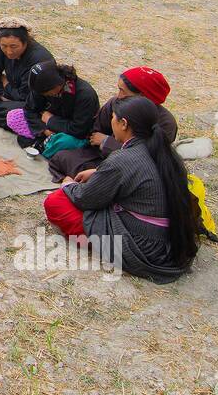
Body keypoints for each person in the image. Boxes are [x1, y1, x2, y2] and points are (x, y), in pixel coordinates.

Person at [44, 96, 201, 283]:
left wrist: (69, 185)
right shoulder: (164, 152)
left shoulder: (123, 159)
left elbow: (85, 199)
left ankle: (99, 244)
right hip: (169, 240)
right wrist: (98, 172)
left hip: (145, 247)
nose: (111, 122)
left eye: (113, 118)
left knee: (56, 202)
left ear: (124, 124)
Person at [49, 67, 177, 181]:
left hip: (131, 169)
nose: (118, 95)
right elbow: (94, 133)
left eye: (123, 91)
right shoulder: (115, 103)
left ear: (142, 96)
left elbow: (147, 160)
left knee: (105, 179)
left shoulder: (165, 123)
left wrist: (107, 142)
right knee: (61, 157)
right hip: (101, 156)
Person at [0, 17, 54, 128]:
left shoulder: (39, 60)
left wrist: (5, 84)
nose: (9, 52)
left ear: (26, 42)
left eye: (14, 47)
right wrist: (2, 93)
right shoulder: (3, 47)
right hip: (7, 94)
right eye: (4, 46)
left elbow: (24, 95)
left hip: (29, 101)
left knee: (16, 113)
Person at [12, 59, 100, 150]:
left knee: (65, 142)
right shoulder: (40, 88)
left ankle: (42, 144)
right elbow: (29, 109)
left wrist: (51, 120)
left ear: (58, 85)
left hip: (70, 133)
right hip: (46, 126)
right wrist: (43, 130)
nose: (44, 95)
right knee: (13, 117)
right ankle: (43, 142)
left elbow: (79, 129)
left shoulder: (85, 95)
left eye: (46, 93)